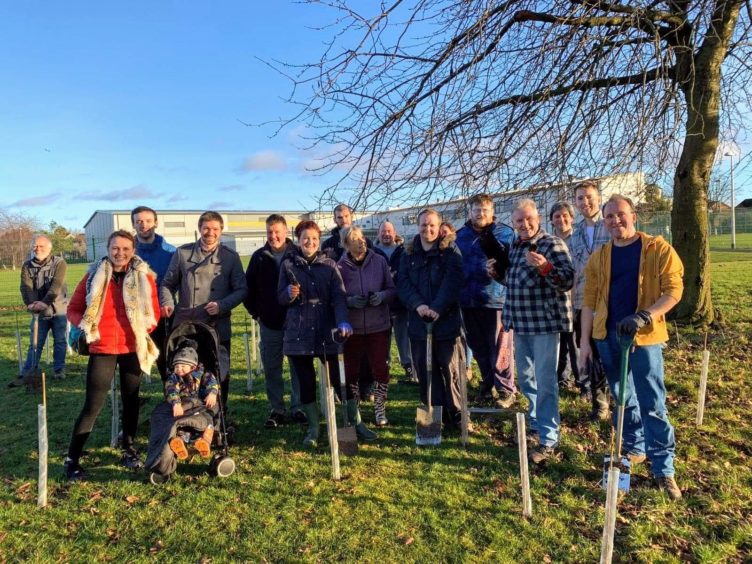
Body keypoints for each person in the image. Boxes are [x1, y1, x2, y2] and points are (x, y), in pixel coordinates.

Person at [579, 194, 684, 500]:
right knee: (623, 398)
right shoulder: (599, 256)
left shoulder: (657, 249)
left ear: (633, 215)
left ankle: (664, 468)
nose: (615, 221)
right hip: (608, 338)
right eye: (609, 217)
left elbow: (674, 291)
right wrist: (585, 343)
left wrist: (644, 316)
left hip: (644, 338)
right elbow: (588, 302)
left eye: (620, 215)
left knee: (653, 401)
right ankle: (634, 448)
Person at [63, 230, 160, 480]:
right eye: (116, 248)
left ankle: (128, 448)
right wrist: (86, 324)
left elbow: (155, 313)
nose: (120, 253)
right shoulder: (93, 275)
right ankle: (72, 457)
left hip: (131, 348)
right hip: (102, 348)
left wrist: (143, 328)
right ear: (107, 249)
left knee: (131, 401)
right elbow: (73, 309)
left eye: (126, 249)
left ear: (133, 251)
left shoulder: (144, 277)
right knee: (92, 406)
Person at [492, 199, 573, 464]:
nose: (524, 225)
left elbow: (567, 280)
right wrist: (496, 274)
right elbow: (514, 280)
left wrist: (545, 267)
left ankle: (549, 438)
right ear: (513, 223)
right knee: (526, 379)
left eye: (529, 220)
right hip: (521, 324)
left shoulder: (552, 244)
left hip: (545, 325)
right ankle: (537, 421)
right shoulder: (515, 246)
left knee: (545, 380)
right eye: (519, 221)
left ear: (538, 218)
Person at [278, 220, 365, 448]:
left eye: (314, 239)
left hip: (327, 332)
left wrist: (343, 320)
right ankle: (314, 428)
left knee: (341, 380)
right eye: (306, 238)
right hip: (299, 334)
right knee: (306, 383)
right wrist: (288, 294)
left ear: (319, 240)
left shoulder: (330, 265)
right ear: (298, 240)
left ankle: (354, 422)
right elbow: (280, 298)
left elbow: (338, 297)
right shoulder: (288, 266)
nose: (310, 242)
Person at [160, 211, 247, 411]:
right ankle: (184, 417)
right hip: (186, 327)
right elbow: (167, 284)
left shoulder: (230, 258)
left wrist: (222, 305)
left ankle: (219, 417)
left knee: (218, 372)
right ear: (199, 229)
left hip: (217, 326)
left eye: (215, 229)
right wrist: (168, 303)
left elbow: (242, 289)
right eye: (206, 228)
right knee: (182, 372)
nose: (210, 233)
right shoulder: (182, 254)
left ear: (221, 231)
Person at [398, 208, 465, 428]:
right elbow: (403, 283)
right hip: (419, 324)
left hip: (445, 322)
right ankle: (434, 416)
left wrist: (437, 307)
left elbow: (453, 281)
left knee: (449, 369)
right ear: (418, 227)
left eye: (432, 225)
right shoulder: (408, 252)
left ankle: (457, 413)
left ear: (438, 227)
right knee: (426, 371)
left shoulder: (450, 251)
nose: (428, 229)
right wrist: (418, 305)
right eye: (424, 225)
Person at [455, 194, 517, 409]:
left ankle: (505, 389)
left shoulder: (506, 234)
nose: (480, 214)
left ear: (492, 211)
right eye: (476, 210)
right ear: (470, 212)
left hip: (496, 299)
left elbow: (514, 266)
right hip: (468, 300)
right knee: (478, 346)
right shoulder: (460, 236)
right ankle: (488, 382)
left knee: (500, 347)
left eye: (484, 210)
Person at [244, 214, 304, 428]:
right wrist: (256, 313)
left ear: (286, 232)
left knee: (298, 367)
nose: (273, 236)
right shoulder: (259, 257)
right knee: (272, 367)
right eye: (269, 232)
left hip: (296, 322)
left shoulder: (298, 254)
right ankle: (277, 408)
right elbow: (247, 288)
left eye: (277, 231)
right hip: (269, 322)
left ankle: (299, 407)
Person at [337, 226, 396, 426]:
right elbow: (337, 297)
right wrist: (350, 301)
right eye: (355, 239)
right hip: (352, 328)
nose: (361, 242)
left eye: (362, 238)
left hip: (378, 325)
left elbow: (391, 289)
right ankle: (355, 410)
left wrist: (382, 296)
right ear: (346, 244)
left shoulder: (379, 261)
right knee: (351, 370)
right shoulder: (340, 267)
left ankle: (380, 407)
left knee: (380, 368)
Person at [569, 180, 611, 419]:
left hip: (608, 299)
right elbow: (575, 270)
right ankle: (599, 402)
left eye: (589, 197)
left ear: (598, 197)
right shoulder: (575, 234)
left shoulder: (609, 225)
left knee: (608, 351)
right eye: (580, 198)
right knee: (589, 351)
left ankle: (616, 396)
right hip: (583, 302)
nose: (585, 202)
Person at [13, 234, 68, 387]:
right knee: (35, 342)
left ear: (49, 248)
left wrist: (45, 303)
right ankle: (29, 372)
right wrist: (31, 304)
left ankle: (59, 370)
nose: (37, 249)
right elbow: (25, 286)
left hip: (58, 309)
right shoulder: (27, 265)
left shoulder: (60, 263)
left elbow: (56, 286)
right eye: (35, 246)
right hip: (38, 311)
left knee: (60, 341)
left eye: (41, 246)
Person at [131, 206, 176, 381]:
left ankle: (173, 399)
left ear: (156, 223)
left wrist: (167, 303)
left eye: (148, 221)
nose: (144, 225)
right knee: (134, 363)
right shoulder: (128, 251)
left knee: (167, 361)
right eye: (139, 221)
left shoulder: (171, 252)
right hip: (135, 315)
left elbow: (175, 282)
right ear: (134, 225)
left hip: (164, 313)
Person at [374, 221, 416, 384]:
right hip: (381, 303)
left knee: (403, 337)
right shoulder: (373, 252)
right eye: (383, 231)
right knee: (383, 339)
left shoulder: (404, 251)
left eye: (389, 231)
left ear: (394, 233)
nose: (386, 234)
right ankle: (385, 368)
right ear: (379, 233)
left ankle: (408, 366)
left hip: (401, 302)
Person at [164, 338, 219, 459]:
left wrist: (213, 393)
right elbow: (171, 390)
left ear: (193, 367)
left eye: (183, 366)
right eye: (176, 366)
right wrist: (176, 403)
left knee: (211, 415)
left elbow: (212, 382)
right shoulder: (174, 378)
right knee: (181, 426)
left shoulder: (204, 374)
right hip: (184, 407)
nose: (179, 369)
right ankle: (180, 442)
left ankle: (204, 441)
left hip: (202, 406)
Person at [550, 201, 578, 391]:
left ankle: (583, 382)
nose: (561, 219)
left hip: (576, 299)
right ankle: (562, 379)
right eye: (557, 216)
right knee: (559, 345)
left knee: (574, 344)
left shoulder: (578, 239)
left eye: (564, 215)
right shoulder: (549, 242)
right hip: (556, 301)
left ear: (571, 217)